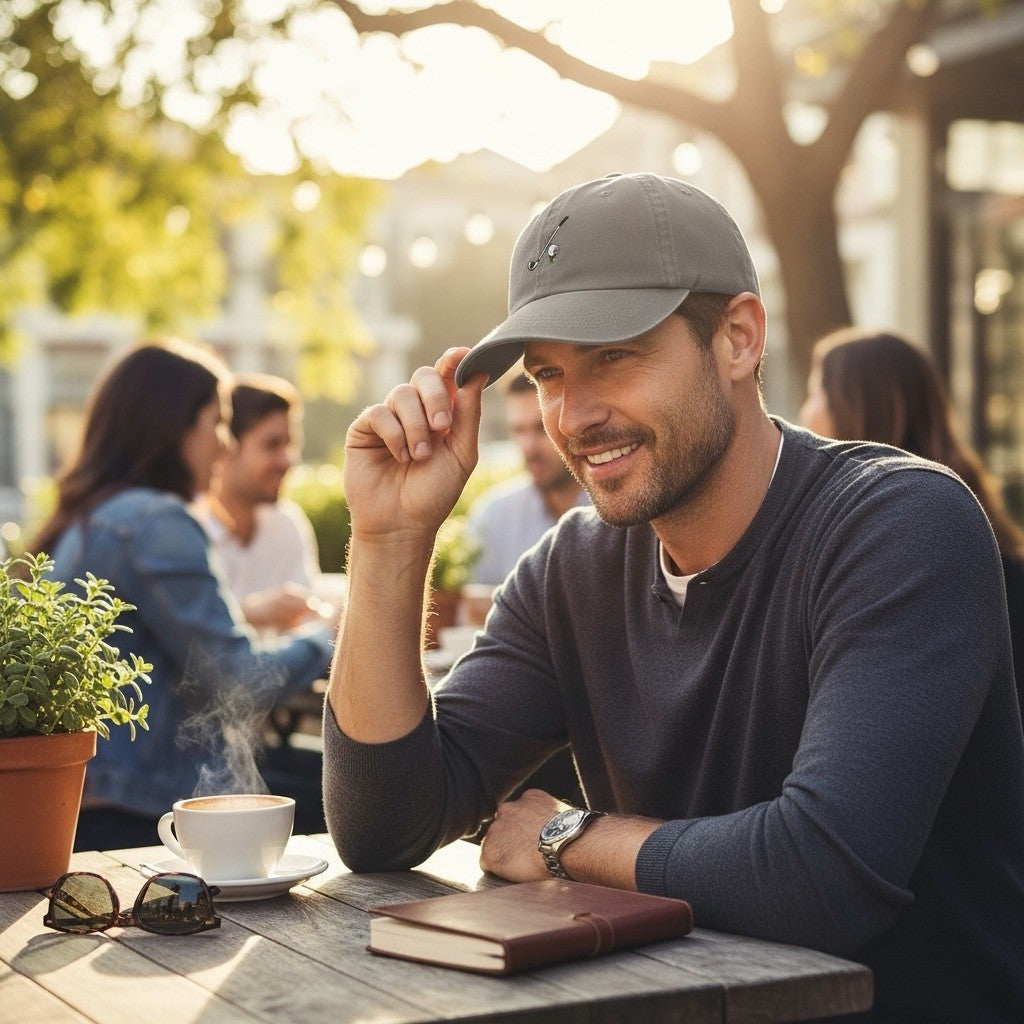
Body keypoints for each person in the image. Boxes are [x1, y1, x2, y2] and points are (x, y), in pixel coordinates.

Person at [323, 172, 1024, 1022]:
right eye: (547, 375)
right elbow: (382, 827)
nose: (574, 415)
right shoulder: (569, 572)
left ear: (737, 339)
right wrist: (390, 541)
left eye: (614, 356)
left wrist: (567, 839)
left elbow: (824, 878)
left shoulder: (900, 523)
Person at [32, 339, 334, 850]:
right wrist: (330, 636)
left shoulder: (94, 518)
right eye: (216, 423)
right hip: (144, 811)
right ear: (175, 427)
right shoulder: (156, 521)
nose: (225, 444)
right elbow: (238, 680)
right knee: (356, 799)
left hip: (97, 798)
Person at [799, 327, 1024, 713]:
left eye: (815, 394)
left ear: (858, 406)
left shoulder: (913, 549)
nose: (804, 414)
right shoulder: (976, 525)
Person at [195, 373, 325, 633]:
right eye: (272, 445)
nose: (286, 461)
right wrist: (249, 612)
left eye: (290, 444)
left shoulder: (286, 524)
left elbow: (308, 624)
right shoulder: (187, 528)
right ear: (226, 446)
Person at [468, 372, 588, 587]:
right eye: (519, 430)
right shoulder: (494, 516)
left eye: (541, 428)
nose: (528, 447)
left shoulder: (617, 509)